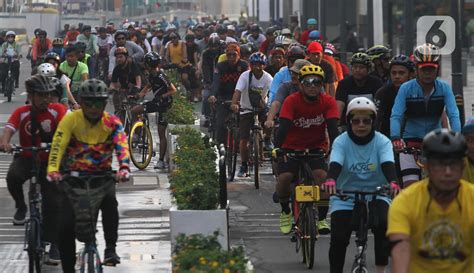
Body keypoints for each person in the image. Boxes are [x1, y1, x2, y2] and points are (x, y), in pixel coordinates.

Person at [47, 79, 130, 272]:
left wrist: (124, 168)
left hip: (103, 178)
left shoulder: (112, 122)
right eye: (88, 103)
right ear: (81, 103)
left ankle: (110, 249)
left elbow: (122, 145)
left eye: (98, 103)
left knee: (111, 203)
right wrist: (53, 170)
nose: (93, 108)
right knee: (65, 226)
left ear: (104, 103)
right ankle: (68, 267)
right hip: (72, 179)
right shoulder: (71, 120)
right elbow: (58, 145)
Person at [321, 97, 400, 273]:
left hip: (377, 193)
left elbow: (388, 164)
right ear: (349, 122)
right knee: (339, 239)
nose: (361, 125)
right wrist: (331, 180)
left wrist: (393, 182)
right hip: (345, 195)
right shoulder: (341, 141)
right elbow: (335, 164)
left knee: (382, 226)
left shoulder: (382, 141)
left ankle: (380, 269)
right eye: (356, 121)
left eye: (366, 121)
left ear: (373, 122)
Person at [0, 75, 67, 264]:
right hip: (27, 157)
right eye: (41, 95)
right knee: (12, 176)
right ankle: (21, 206)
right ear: (31, 96)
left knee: (53, 203)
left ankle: (55, 245)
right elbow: (8, 130)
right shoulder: (21, 112)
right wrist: (5, 143)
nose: (46, 99)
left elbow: (65, 129)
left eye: (48, 95)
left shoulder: (57, 110)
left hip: (50, 162)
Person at [387, 128, 474, 273]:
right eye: (439, 164)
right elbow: (401, 249)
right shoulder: (405, 202)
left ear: (463, 166)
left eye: (453, 164)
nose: (447, 172)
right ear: (426, 166)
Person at [273, 64, 339, 235]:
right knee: (285, 177)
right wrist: (278, 148)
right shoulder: (292, 100)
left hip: (316, 148)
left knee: (323, 178)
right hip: (291, 147)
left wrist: (337, 149)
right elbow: (283, 128)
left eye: (316, 82)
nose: (312, 86)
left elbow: (333, 129)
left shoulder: (328, 102)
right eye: (307, 82)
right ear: (300, 85)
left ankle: (323, 218)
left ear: (322, 85)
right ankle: (286, 211)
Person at [391, 43, 461, 187]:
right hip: (410, 143)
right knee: (410, 186)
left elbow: (453, 114)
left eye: (431, 69)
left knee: (439, 186)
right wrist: (396, 138)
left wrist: (457, 137)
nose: (428, 73)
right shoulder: (406, 88)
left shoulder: (444, 88)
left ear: (437, 70)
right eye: (424, 69)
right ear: (416, 69)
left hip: (435, 142)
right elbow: (396, 115)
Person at [231, 52, 273, 177]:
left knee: (270, 123)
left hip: (262, 108)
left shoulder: (268, 78)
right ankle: (243, 165)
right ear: (251, 65)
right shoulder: (245, 76)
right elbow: (237, 91)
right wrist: (234, 104)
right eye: (254, 64)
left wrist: (272, 107)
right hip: (246, 109)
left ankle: (266, 139)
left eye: (260, 65)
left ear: (264, 65)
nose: (257, 67)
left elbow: (273, 93)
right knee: (243, 139)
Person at [136, 51, 177, 169]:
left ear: (149, 64)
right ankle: (140, 131)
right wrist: (138, 95)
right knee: (135, 110)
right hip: (156, 102)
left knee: (161, 133)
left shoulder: (161, 76)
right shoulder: (151, 75)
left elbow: (173, 90)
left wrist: (162, 96)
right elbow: (148, 86)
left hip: (165, 105)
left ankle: (161, 161)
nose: (144, 65)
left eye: (145, 63)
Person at [208, 43, 248, 145]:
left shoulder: (244, 66)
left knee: (244, 124)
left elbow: (248, 83)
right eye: (229, 55)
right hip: (223, 96)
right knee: (220, 125)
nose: (231, 57)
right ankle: (221, 146)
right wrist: (213, 95)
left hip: (240, 97)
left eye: (234, 55)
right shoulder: (220, 66)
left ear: (238, 55)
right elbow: (216, 82)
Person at [336, 52, 383, 132]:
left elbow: (380, 107)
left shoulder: (376, 83)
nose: (358, 70)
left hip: (370, 123)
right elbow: (339, 106)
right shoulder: (344, 84)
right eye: (355, 67)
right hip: (348, 124)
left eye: (361, 67)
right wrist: (336, 125)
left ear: (368, 69)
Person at [374, 55, 415, 138]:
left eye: (401, 73)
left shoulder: (418, 90)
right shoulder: (382, 92)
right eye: (394, 73)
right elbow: (377, 119)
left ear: (410, 74)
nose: (397, 76)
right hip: (388, 137)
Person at [110, 47, 142, 123]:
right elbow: (113, 83)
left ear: (126, 57)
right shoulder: (117, 69)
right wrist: (112, 88)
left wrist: (137, 88)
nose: (118, 59)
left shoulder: (132, 65)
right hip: (123, 91)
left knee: (134, 111)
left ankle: (137, 132)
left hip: (135, 90)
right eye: (117, 57)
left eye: (121, 57)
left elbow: (138, 78)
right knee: (120, 110)